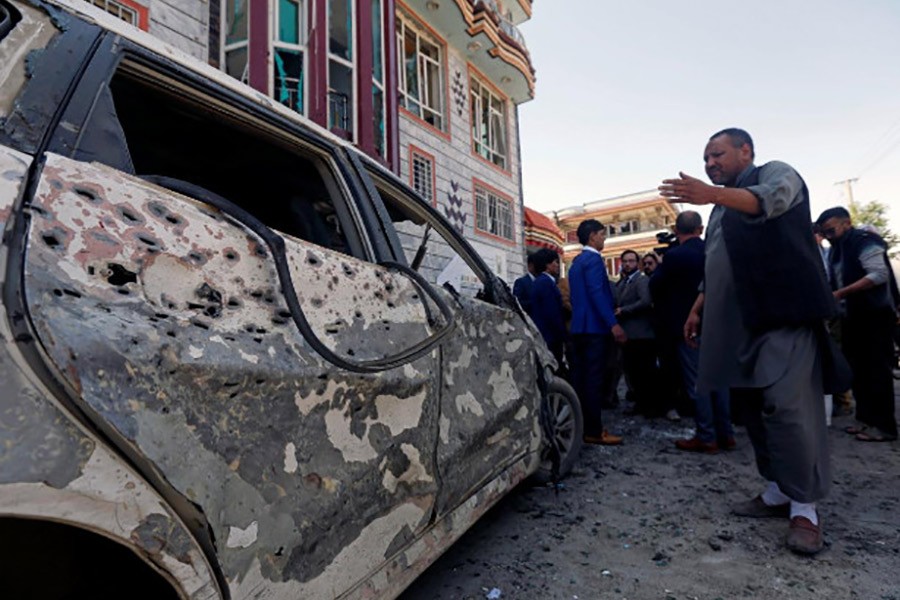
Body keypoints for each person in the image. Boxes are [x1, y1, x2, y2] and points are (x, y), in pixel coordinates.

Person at [659, 128, 836, 555]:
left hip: (783, 315)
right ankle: (776, 490)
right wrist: (698, 306)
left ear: (746, 151)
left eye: (717, 154)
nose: (710, 164)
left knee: (790, 408)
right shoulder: (720, 208)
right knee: (752, 409)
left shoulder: (777, 174)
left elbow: (767, 202)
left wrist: (709, 195)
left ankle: (805, 508)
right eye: (705, 158)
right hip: (739, 324)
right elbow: (719, 260)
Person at [650, 211, 733, 451]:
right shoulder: (714, 250)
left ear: (677, 231)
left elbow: (656, 285)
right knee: (721, 380)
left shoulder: (675, 256)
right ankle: (725, 433)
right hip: (718, 323)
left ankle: (706, 435)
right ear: (700, 228)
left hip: (688, 325)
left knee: (699, 382)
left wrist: (660, 267)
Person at [817, 206, 899, 442]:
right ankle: (865, 421)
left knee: (877, 372)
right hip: (851, 317)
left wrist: (841, 293)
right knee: (859, 372)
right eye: (825, 232)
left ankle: (884, 427)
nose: (829, 236)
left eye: (831, 230)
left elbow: (877, 275)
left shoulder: (865, 241)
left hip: (874, 316)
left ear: (846, 223)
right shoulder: (836, 249)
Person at [568, 219, 626, 445]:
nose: (604, 238)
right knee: (594, 381)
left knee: (582, 380)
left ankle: (584, 427)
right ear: (592, 236)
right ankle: (594, 430)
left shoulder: (576, 262)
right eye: (602, 234)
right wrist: (613, 324)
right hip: (594, 328)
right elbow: (597, 294)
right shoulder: (593, 260)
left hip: (580, 327)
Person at [615, 250, 662, 417]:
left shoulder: (641, 280)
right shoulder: (622, 283)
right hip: (630, 335)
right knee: (634, 373)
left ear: (637, 263)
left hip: (642, 334)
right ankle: (641, 404)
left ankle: (650, 406)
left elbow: (645, 301)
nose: (628, 264)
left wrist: (624, 310)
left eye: (631, 261)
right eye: (625, 261)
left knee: (645, 373)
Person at [529, 248, 567, 369]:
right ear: (547, 265)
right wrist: (562, 334)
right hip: (550, 337)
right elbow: (552, 313)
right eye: (555, 262)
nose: (557, 265)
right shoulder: (545, 283)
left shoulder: (540, 282)